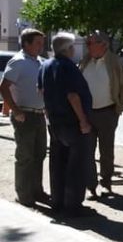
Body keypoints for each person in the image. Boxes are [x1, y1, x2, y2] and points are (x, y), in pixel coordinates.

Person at [39, 32, 94, 216]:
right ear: (68, 49)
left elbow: (42, 91)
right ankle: (72, 206)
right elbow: (73, 96)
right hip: (72, 124)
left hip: (55, 123)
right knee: (76, 166)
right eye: (73, 46)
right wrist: (83, 121)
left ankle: (57, 202)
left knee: (57, 164)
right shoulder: (68, 67)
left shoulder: (45, 65)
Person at [0, 28, 48, 207]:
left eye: (42, 43)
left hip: (39, 114)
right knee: (25, 156)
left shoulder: (40, 62)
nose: (41, 47)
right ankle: (23, 194)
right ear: (26, 43)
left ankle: (37, 191)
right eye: (37, 43)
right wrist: (16, 110)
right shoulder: (18, 62)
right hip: (24, 115)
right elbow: (3, 87)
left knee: (40, 154)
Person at [80, 31, 123, 193]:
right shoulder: (85, 61)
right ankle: (91, 185)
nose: (87, 45)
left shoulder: (115, 62)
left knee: (106, 151)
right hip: (87, 114)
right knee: (87, 150)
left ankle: (106, 181)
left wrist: (119, 109)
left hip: (107, 113)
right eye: (87, 42)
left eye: (91, 42)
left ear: (103, 44)